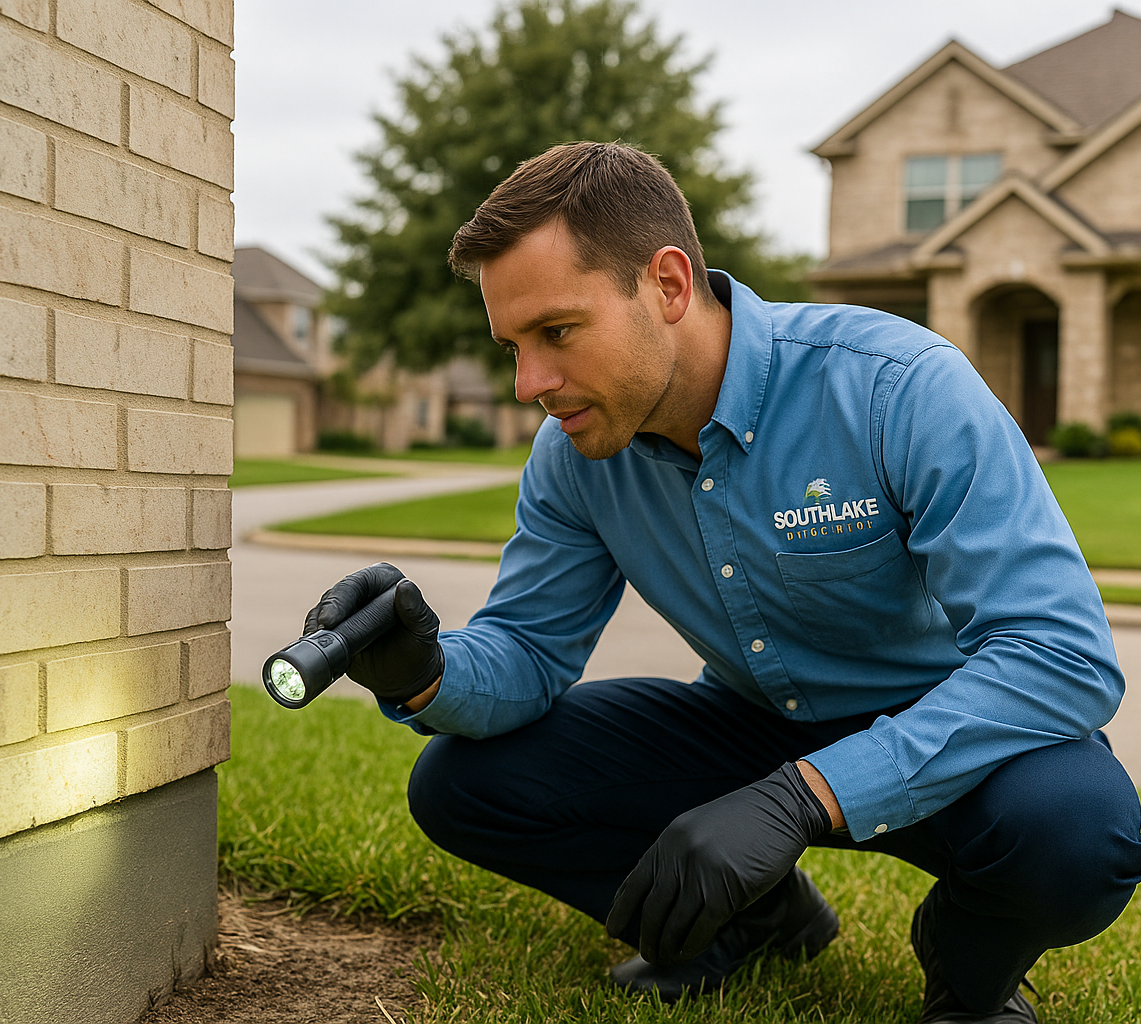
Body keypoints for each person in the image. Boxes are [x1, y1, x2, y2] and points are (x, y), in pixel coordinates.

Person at [303, 141, 1141, 1024]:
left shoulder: (896, 387)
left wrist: (803, 797)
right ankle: (751, 921)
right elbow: (527, 651)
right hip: (748, 722)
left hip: (942, 729)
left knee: (1079, 835)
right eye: (512, 345)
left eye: (556, 332)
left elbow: (1061, 657)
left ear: (667, 285)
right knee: (461, 785)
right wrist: (425, 672)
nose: (529, 384)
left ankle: (967, 968)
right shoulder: (574, 454)